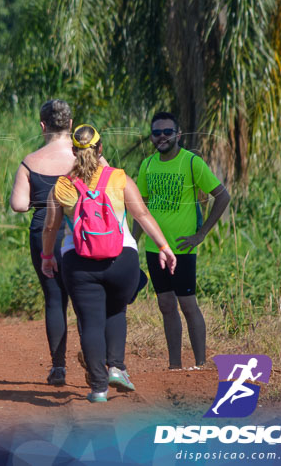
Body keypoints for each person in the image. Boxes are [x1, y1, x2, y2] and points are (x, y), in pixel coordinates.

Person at [42, 124, 177, 402]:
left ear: (73, 151)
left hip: (79, 261)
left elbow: (50, 229)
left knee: (90, 322)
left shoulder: (63, 185)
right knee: (116, 312)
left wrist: (47, 257)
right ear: (100, 149)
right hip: (122, 259)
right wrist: (164, 247)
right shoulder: (119, 178)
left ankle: (99, 389)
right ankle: (116, 367)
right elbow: (142, 215)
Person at [133, 112, 230, 371]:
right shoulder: (147, 166)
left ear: (178, 134)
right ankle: (174, 366)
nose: (162, 137)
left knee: (187, 304)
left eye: (167, 132)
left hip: (183, 248)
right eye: (156, 133)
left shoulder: (191, 163)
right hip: (155, 249)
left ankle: (200, 364)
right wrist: (132, 243)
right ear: (152, 137)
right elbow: (141, 208)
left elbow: (222, 196)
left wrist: (201, 234)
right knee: (166, 304)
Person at [9, 99, 77, 387]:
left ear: (42, 126)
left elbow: (19, 205)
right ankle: (96, 359)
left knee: (54, 299)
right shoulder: (86, 157)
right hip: (81, 232)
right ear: (71, 124)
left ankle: (58, 366)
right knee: (87, 297)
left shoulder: (30, 162)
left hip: (43, 231)